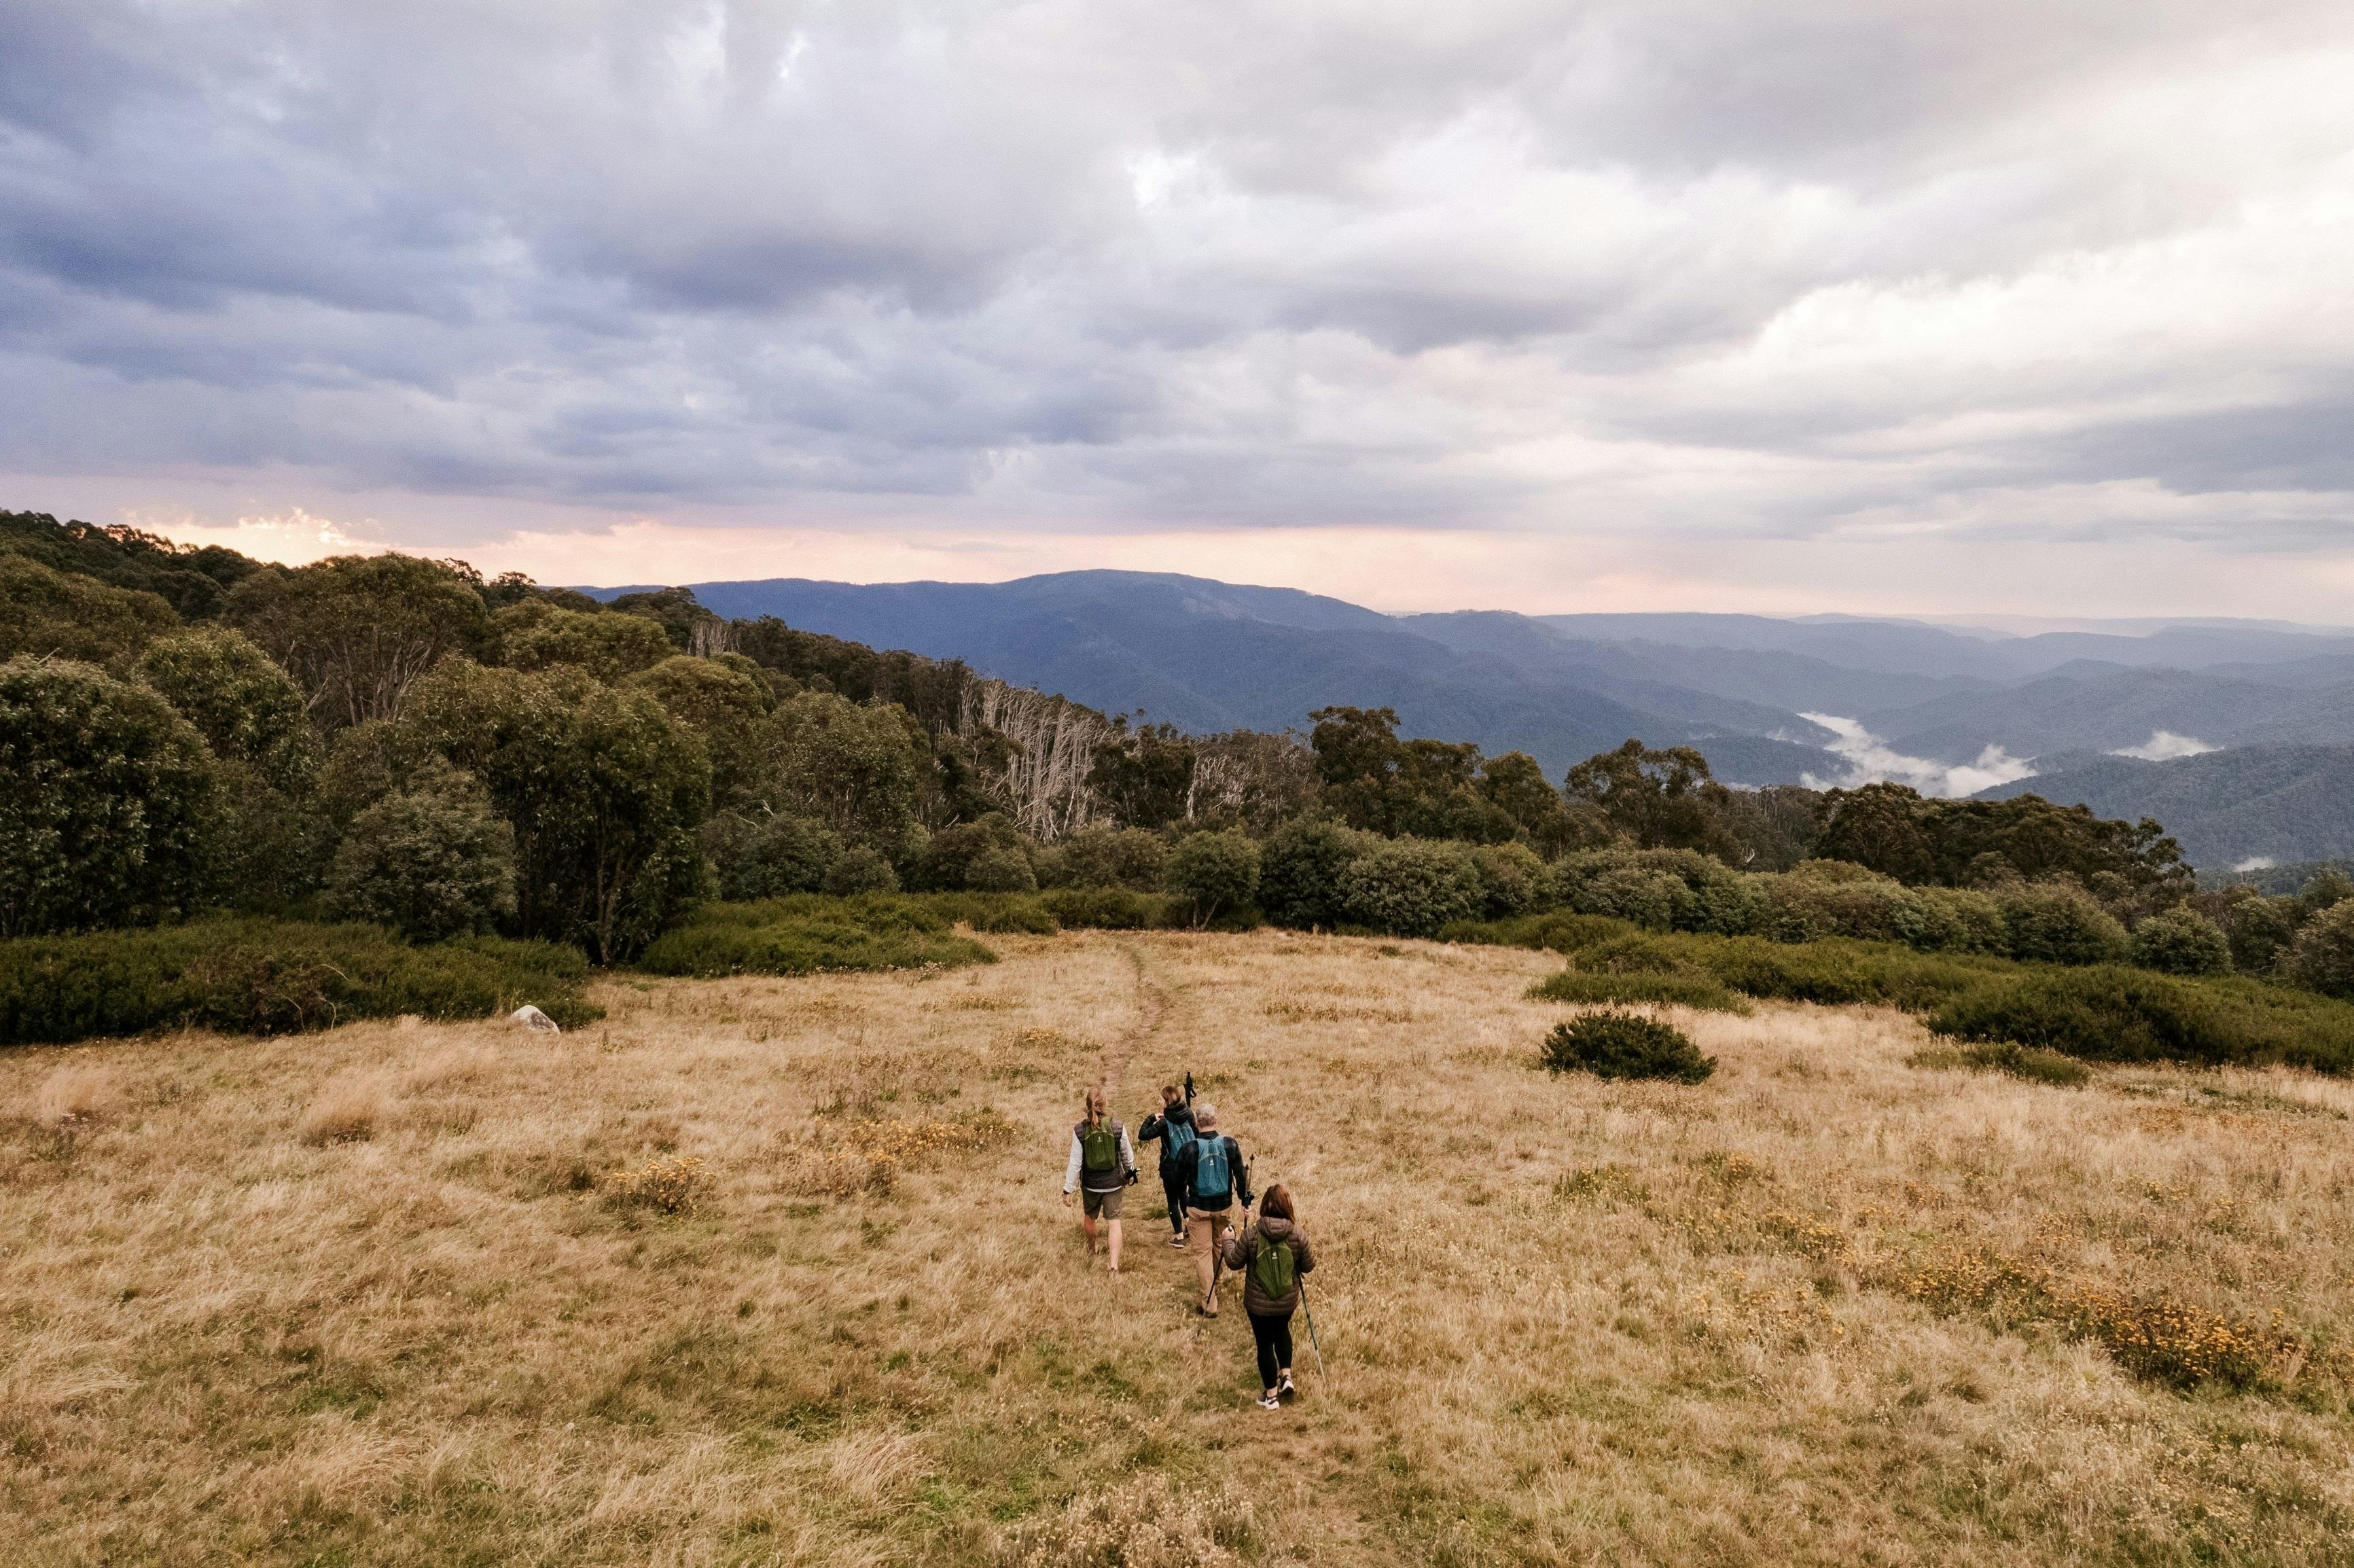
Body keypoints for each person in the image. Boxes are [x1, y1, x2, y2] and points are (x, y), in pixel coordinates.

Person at [1222, 1183, 1314, 1408]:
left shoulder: (1252, 1233)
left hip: (1258, 1305)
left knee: (1264, 1344)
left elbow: (1234, 1262)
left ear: (1264, 1206)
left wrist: (1228, 1240)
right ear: (1288, 1206)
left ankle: (1271, 1397)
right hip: (1286, 1302)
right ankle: (1287, 1377)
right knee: (1282, 1331)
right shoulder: (1297, 1233)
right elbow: (1309, 1265)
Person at [1177, 1102, 1252, 1316]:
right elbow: (1240, 1174)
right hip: (1224, 1207)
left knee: (1202, 1253)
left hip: (1198, 1208)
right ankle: (1215, 1284)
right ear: (1215, 1121)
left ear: (1197, 1123)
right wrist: (1244, 1200)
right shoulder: (1229, 1144)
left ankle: (1209, 1304)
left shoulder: (1189, 1148)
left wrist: (1185, 1202)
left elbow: (1178, 1180)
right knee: (1219, 1246)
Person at [1062, 1086, 1138, 1272]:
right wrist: (1130, 1173)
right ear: (1106, 1104)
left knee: (1090, 1217)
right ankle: (1113, 1266)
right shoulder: (1117, 1126)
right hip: (1113, 1184)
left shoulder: (1080, 1130)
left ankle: (1092, 1247)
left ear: (1087, 1105)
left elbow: (1075, 1162)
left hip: (1091, 1185)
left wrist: (1068, 1189)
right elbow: (1127, 1155)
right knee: (1114, 1222)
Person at [1136, 1083, 1198, 1249]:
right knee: (1184, 1194)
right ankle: (1189, 1226)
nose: (1158, 1100)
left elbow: (1143, 1135)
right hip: (1188, 1165)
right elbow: (1197, 1134)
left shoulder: (1164, 1122)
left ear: (1167, 1101)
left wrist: (1151, 1118)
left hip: (1170, 1167)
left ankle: (1178, 1236)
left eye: (1160, 1098)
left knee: (1172, 1200)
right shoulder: (1189, 1114)